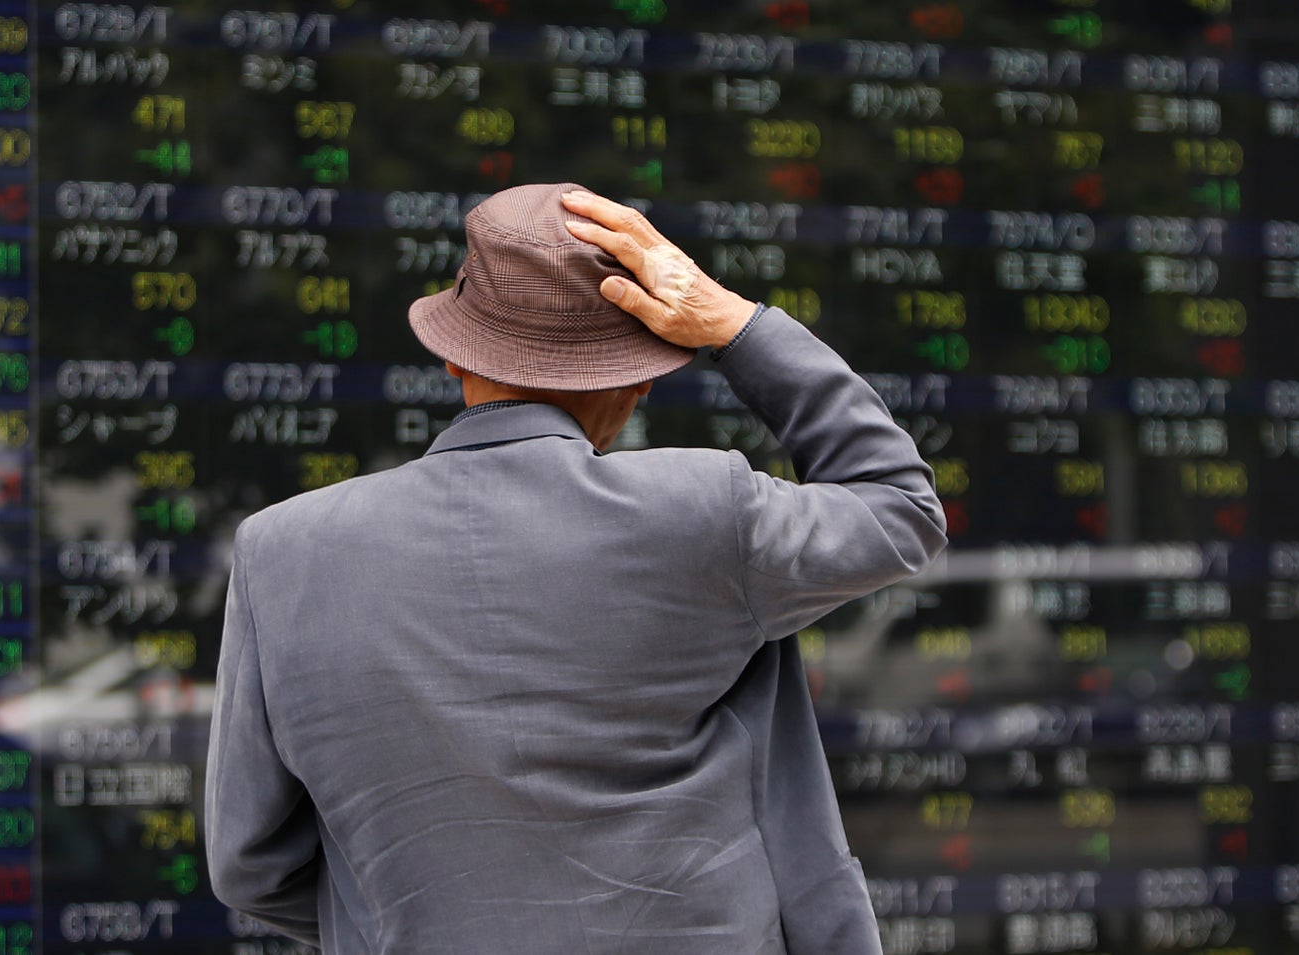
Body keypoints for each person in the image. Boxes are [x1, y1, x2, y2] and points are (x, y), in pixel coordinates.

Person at [205, 183, 947, 954]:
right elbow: (901, 504)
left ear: (456, 354)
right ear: (637, 380)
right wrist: (735, 326)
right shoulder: (702, 511)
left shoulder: (279, 552)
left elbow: (250, 865)